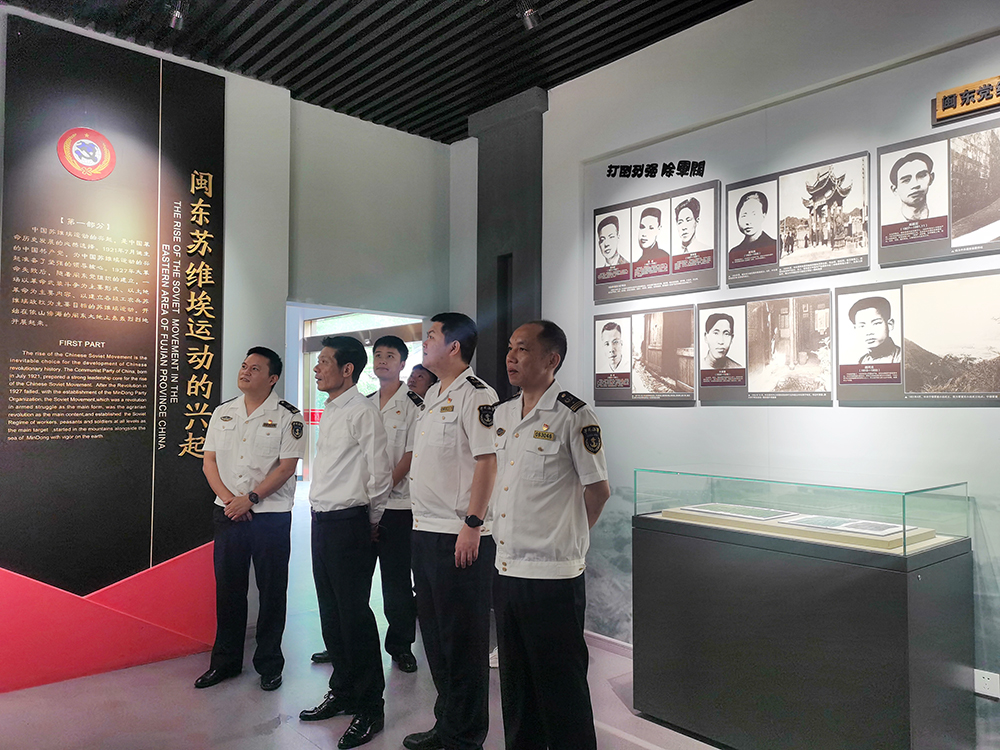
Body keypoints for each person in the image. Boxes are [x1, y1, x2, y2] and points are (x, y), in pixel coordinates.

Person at [491, 320, 610, 750]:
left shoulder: (573, 416)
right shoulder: (503, 414)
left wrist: (568, 537)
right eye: (510, 348)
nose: (511, 357)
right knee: (516, 687)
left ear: (551, 359)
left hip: (553, 576)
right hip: (507, 569)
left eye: (522, 349)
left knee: (561, 690)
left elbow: (598, 490)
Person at [404, 312, 498, 750]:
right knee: (437, 638)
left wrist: (473, 523)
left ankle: (465, 736)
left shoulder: (476, 395)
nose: (425, 343)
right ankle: (448, 724)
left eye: (431, 336)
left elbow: (487, 462)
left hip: (459, 534)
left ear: (454, 346)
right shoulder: (434, 394)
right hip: (425, 530)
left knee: (462, 641)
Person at [299, 335, 393, 750]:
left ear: (347, 369)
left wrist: (370, 520)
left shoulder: (362, 411)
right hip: (322, 520)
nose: (317, 368)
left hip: (350, 523)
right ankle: (344, 691)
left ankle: (371, 707)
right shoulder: (333, 409)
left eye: (324, 362)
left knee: (354, 616)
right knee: (331, 612)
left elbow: (380, 472)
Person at [195, 347, 304, 692]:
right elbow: (209, 462)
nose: (245, 372)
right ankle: (225, 663)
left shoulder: (289, 416)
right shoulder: (223, 412)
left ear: (272, 378)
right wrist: (231, 502)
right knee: (229, 590)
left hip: (270, 516)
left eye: (255, 369)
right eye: (244, 366)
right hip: (229, 513)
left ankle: (269, 664)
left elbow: (286, 468)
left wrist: (251, 499)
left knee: (272, 591)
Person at [369, 335, 423, 673]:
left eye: (390, 356)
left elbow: (411, 455)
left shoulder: (416, 404)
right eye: (378, 355)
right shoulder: (363, 403)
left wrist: (381, 489)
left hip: (398, 507)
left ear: (402, 363)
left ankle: (401, 645)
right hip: (361, 504)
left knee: (396, 581)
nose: (383, 360)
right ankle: (344, 641)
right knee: (353, 579)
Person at [729, 191, 777, 265]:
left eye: (754, 214)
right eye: (744, 215)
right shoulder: (733, 253)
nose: (748, 221)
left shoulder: (774, 245)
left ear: (763, 216)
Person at [848, 296, 901, 364]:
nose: (868, 332)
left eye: (876, 323)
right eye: (862, 326)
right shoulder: (862, 361)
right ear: (856, 329)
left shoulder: (902, 357)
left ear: (890, 324)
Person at [888, 151, 935, 223]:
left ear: (931, 178)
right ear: (895, 190)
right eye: (906, 180)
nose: (915, 185)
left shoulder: (941, 213)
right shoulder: (890, 222)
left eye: (921, 176)